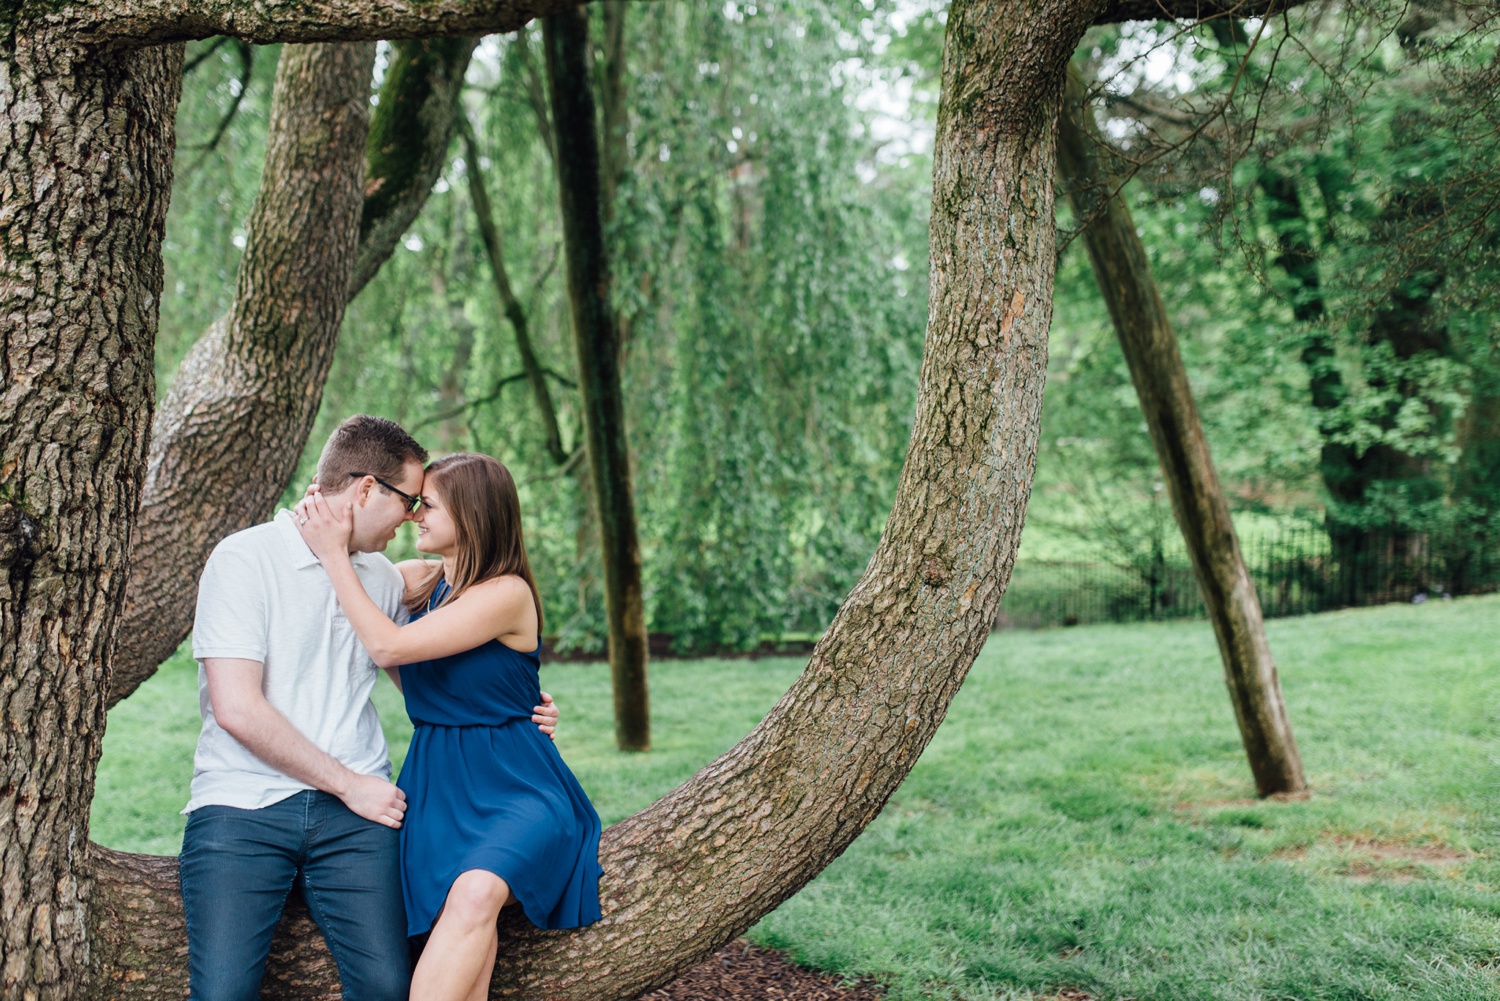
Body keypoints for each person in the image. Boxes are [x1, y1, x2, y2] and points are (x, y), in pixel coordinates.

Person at [179, 415, 560, 1001]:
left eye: (424, 506)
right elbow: (236, 709)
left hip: (359, 817)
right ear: (364, 491)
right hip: (244, 803)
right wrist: (348, 784)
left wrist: (517, 711)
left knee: (387, 985)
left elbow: (424, 663)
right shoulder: (243, 559)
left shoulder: (382, 578)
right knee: (223, 992)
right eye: (411, 501)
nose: (413, 516)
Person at [295, 451, 603, 1001]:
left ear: (474, 514)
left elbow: (387, 644)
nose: (414, 515)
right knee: (466, 921)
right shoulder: (417, 582)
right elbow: (417, 680)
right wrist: (328, 519)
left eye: (428, 505)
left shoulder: (506, 593)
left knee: (475, 894)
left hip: (515, 786)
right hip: (437, 785)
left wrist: (334, 558)